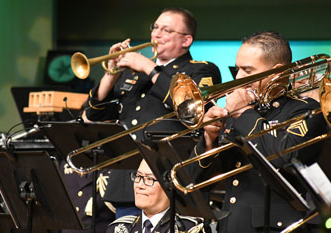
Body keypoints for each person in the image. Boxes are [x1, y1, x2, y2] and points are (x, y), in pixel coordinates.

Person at [83, 7, 221, 218]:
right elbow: (94, 115)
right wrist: (111, 73)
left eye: (166, 30)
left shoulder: (201, 69)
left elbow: (190, 108)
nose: (156, 34)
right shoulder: (133, 73)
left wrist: (150, 68)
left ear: (186, 40)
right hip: (128, 179)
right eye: (155, 27)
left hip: (169, 177)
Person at [188, 31, 327, 233]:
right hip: (231, 224)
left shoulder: (306, 110)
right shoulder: (238, 116)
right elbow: (196, 183)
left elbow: (285, 157)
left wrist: (244, 113)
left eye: (248, 70)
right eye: (237, 69)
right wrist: (209, 138)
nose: (238, 78)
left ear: (277, 72)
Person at [106, 159, 206, 233]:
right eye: (138, 176)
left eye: (149, 179)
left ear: (169, 186)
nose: (140, 185)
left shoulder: (190, 229)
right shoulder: (118, 228)